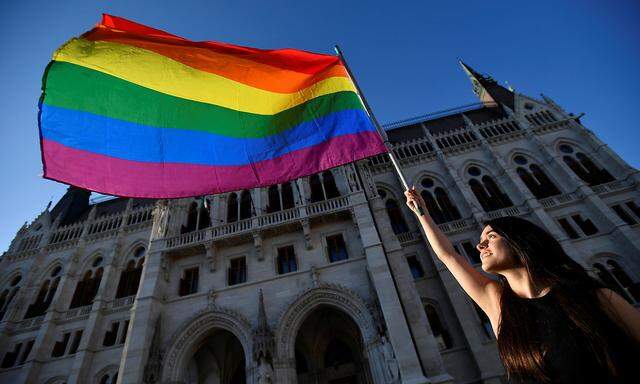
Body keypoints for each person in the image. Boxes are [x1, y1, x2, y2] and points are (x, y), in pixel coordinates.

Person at [404, 187, 640, 383]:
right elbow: (449, 256)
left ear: (520, 242)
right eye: (480, 241)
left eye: (491, 237)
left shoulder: (596, 297)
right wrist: (421, 211)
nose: (480, 246)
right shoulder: (497, 303)